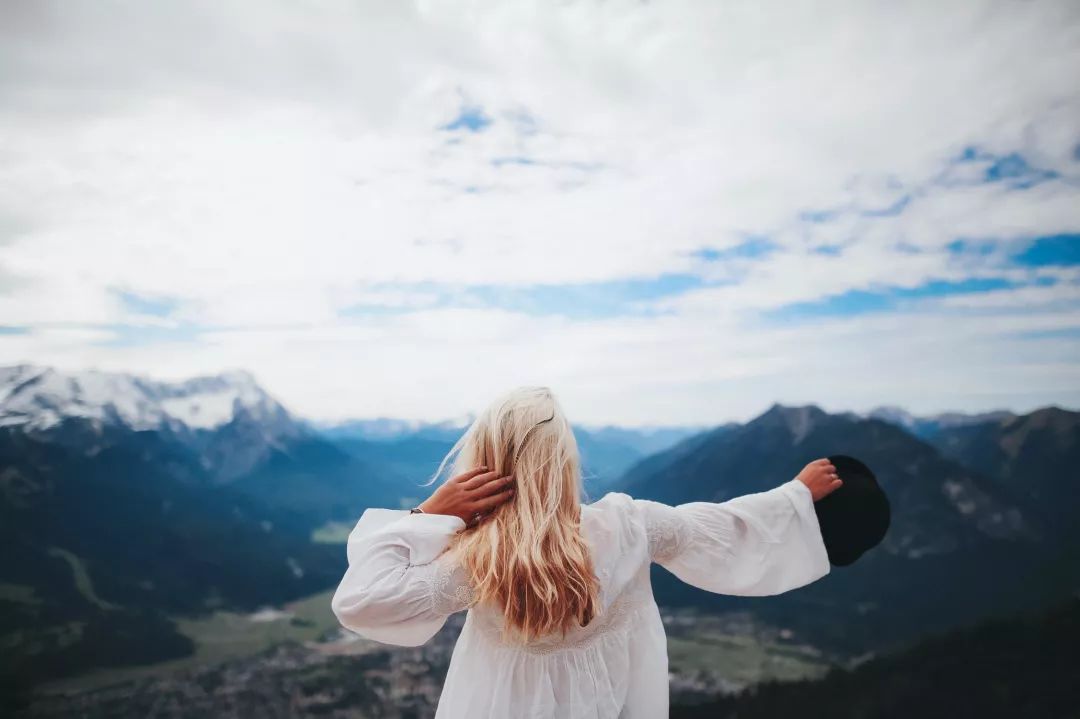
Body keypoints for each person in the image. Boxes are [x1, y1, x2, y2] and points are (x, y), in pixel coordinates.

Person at [331, 386, 840, 718]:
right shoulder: (632, 526)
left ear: (484, 462)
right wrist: (791, 497)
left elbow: (362, 601)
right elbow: (722, 529)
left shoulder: (479, 561)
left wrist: (430, 515)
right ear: (564, 460)